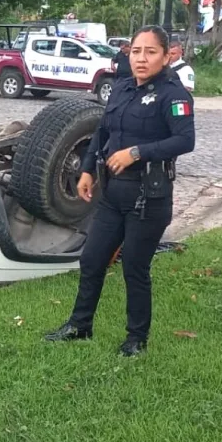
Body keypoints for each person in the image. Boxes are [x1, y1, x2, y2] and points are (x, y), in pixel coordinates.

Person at [45, 25, 195, 357]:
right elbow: (102, 131)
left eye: (151, 52)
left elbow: (185, 140)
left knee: (135, 269)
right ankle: (80, 325)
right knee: (92, 259)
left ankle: (136, 338)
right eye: (137, 51)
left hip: (149, 197)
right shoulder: (123, 89)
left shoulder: (174, 95)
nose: (142, 58)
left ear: (166, 55)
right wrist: (86, 169)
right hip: (113, 194)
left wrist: (137, 152)